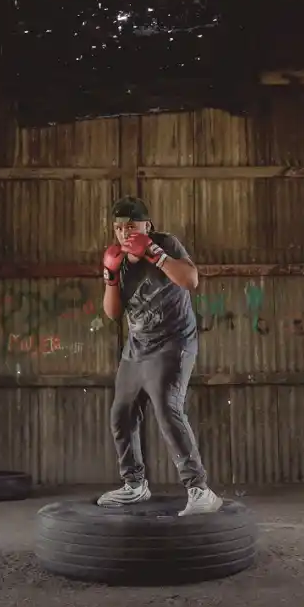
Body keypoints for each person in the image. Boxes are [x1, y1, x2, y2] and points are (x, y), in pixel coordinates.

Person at [96, 196, 222, 516]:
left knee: (167, 409)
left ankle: (199, 490)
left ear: (147, 226)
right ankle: (135, 486)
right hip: (138, 347)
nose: (125, 233)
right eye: (119, 228)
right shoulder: (119, 260)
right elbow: (113, 314)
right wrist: (110, 277)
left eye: (131, 227)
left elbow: (190, 280)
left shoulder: (166, 243)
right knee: (121, 414)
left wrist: (155, 253)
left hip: (174, 342)